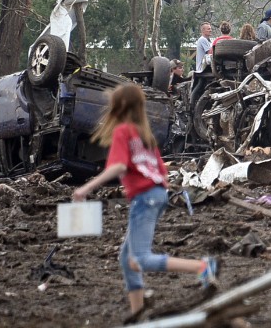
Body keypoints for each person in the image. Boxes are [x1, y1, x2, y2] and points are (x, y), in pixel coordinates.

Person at [72, 83, 219, 315]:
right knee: (126, 258)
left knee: (139, 258)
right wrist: (134, 187)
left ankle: (202, 267)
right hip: (157, 195)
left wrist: (85, 189)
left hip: (145, 198)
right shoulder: (144, 135)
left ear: (119, 106)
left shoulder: (123, 131)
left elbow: (120, 165)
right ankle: (137, 311)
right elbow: (160, 171)